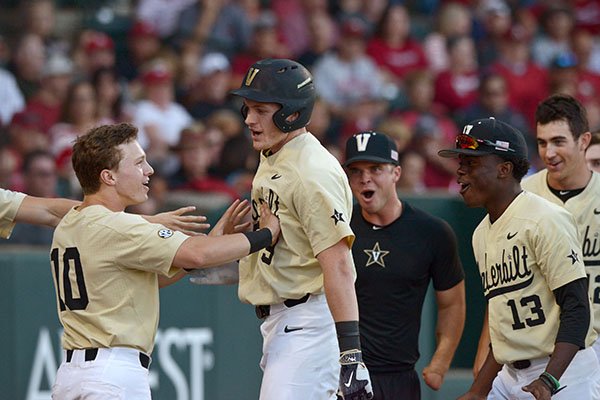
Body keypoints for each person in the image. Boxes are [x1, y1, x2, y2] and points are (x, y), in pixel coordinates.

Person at [50, 122, 280, 399]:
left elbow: (146, 281)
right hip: (111, 375)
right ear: (108, 177)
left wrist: (211, 243)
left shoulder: (71, 221)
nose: (149, 171)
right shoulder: (119, 226)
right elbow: (197, 253)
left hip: (72, 375)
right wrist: (266, 235)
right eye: (138, 163)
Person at [230, 58, 373, 399]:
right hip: (284, 324)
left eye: (261, 110)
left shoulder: (312, 171)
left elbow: (338, 264)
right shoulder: (274, 152)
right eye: (248, 108)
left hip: (309, 323)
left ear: (291, 113)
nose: (249, 119)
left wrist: (350, 355)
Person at [439, 117, 600, 400]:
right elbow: (504, 328)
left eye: (471, 163)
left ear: (504, 169)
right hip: (510, 374)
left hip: (564, 372)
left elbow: (577, 308)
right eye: (460, 162)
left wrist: (550, 379)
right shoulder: (480, 234)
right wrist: (479, 390)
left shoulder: (545, 219)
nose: (460, 171)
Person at [473, 95, 600, 374]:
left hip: (589, 342)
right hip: (539, 347)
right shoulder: (521, 193)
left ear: (583, 140)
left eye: (558, 141)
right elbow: (501, 287)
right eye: (542, 142)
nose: (548, 153)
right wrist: (484, 355)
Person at [344, 131, 466, 399]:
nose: (365, 178)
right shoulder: (337, 229)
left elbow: (452, 303)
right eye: (355, 170)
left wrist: (441, 361)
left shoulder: (431, 232)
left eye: (376, 168)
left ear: (396, 173)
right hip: (341, 372)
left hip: (399, 378)